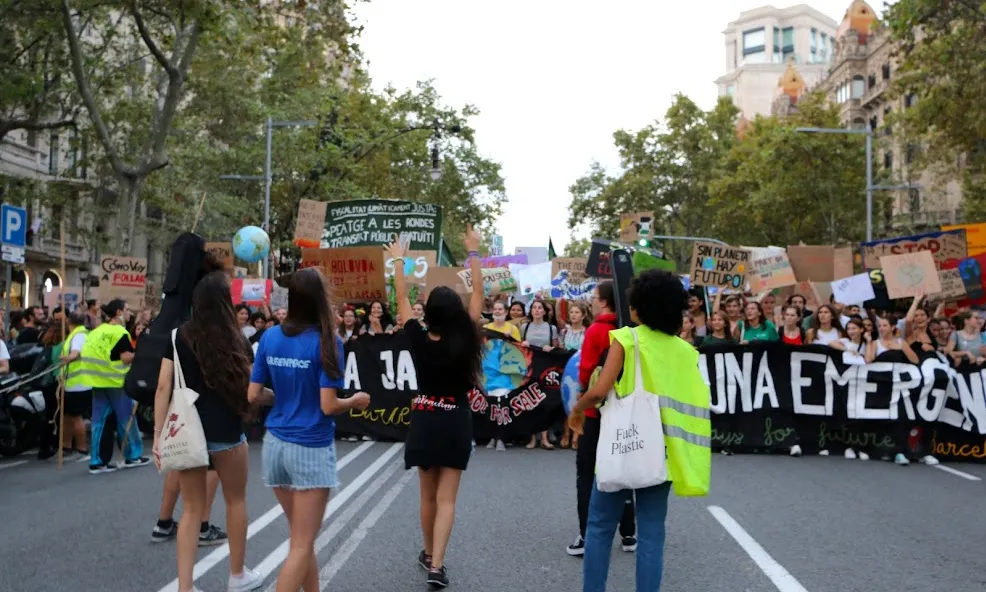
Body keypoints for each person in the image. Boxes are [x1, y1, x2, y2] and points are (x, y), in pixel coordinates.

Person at [569, 270, 711, 592]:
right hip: (662, 452)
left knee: (600, 526)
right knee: (652, 533)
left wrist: (576, 411)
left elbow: (599, 390)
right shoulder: (687, 352)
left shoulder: (626, 339)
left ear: (637, 308)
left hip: (622, 444)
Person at [248, 268, 370, 592]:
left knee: (302, 538)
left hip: (274, 445)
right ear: (319, 300)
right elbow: (329, 406)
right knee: (301, 545)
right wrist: (355, 401)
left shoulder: (270, 336)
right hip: (310, 449)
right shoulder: (328, 341)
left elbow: (253, 395)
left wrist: (284, 396)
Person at [152, 272, 264, 592]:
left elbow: (163, 387)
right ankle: (237, 575)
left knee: (190, 510)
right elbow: (250, 388)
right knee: (236, 501)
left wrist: (160, 434)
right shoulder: (238, 339)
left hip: (188, 430)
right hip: (227, 429)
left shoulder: (177, 337)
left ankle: (185, 587)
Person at [387, 226, 484, 589]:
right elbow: (479, 293)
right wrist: (472, 252)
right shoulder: (466, 336)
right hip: (456, 417)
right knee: (447, 499)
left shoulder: (416, 336)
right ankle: (437, 565)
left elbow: (399, 296)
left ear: (427, 312)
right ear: (457, 311)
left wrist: (398, 259)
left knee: (427, 495)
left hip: (425, 417)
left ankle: (428, 553)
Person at [565, 280, 636, 557]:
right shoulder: (630, 331)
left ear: (604, 301)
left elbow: (585, 373)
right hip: (624, 411)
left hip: (595, 411)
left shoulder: (596, 330)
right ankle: (628, 533)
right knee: (623, 471)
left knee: (586, 473)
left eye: (595, 297)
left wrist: (579, 405)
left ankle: (585, 534)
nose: (592, 302)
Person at [79, 299, 149, 474]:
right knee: (126, 420)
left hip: (96, 381)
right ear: (118, 312)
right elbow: (125, 358)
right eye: (126, 309)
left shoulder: (97, 331)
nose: (129, 313)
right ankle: (133, 456)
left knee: (99, 421)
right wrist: (141, 353)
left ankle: (97, 461)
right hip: (116, 382)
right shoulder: (119, 332)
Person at [59, 311, 91, 460]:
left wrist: (65, 358)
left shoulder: (79, 335)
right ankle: (66, 447)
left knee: (76, 417)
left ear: (68, 322)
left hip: (79, 384)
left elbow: (75, 353)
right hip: (71, 383)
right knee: (67, 416)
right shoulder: (78, 334)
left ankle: (82, 449)